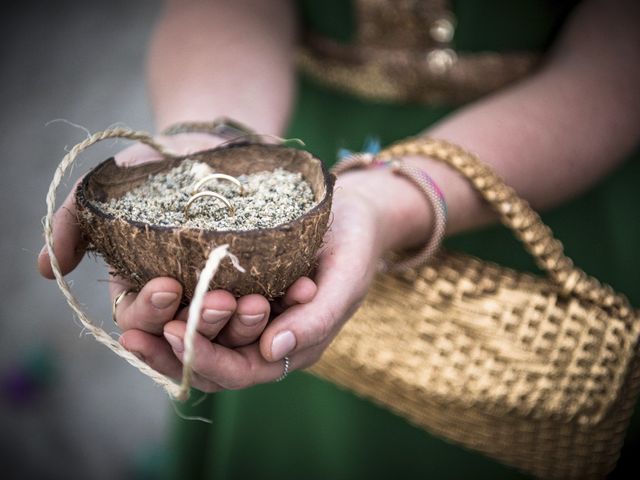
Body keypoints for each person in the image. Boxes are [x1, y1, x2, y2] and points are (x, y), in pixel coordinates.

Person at [38, 0, 640, 478]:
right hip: (292, 153)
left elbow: (619, 55)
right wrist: (214, 139)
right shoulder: (263, 181)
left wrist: (387, 200)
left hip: (542, 160)